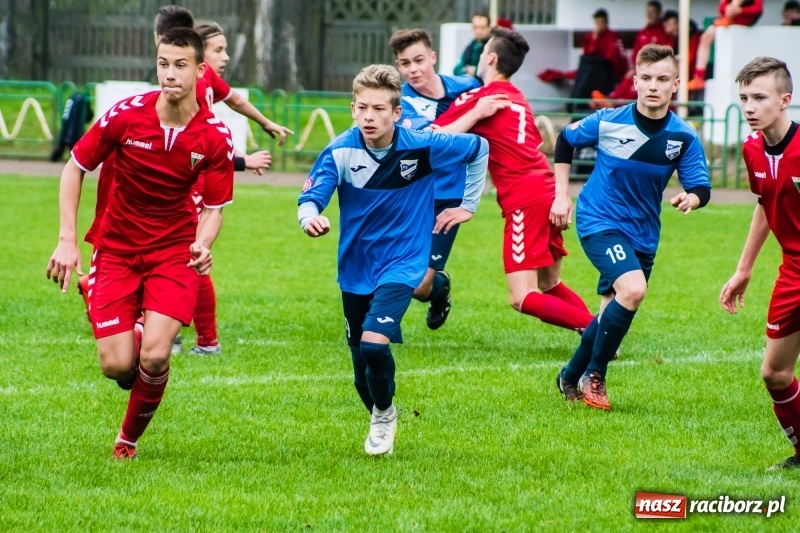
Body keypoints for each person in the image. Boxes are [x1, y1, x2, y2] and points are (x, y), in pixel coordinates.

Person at [46, 27, 235, 459]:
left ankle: (126, 441)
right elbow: (74, 167)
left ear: (200, 70)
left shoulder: (213, 136)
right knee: (117, 366)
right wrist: (67, 240)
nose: (169, 74)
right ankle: (113, 305)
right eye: (162, 63)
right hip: (115, 249)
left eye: (180, 65)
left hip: (173, 253)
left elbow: (215, 206)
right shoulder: (124, 116)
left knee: (153, 358)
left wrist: (203, 244)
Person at [297, 64, 488, 456]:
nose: (370, 116)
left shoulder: (422, 144)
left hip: (403, 261)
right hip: (355, 267)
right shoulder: (341, 150)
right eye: (363, 107)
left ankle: (384, 415)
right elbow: (312, 195)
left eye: (380, 108)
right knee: (359, 376)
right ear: (353, 109)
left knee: (374, 345)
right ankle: (380, 408)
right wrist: (310, 217)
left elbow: (478, 148)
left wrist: (468, 205)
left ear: (396, 113)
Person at [551, 44, 711, 410]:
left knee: (613, 306)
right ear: (635, 81)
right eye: (647, 78)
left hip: (643, 232)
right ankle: (595, 375)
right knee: (633, 289)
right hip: (599, 220)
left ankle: (569, 374)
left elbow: (700, 185)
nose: (654, 86)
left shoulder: (682, 136)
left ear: (676, 85)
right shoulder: (608, 121)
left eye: (663, 79)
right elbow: (565, 140)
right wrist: (562, 195)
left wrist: (692, 199)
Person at [432, 27, 595, 336]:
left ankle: (598, 330)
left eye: (482, 54)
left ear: (491, 58)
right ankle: (601, 339)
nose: (479, 59)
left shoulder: (480, 97)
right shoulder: (519, 99)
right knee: (549, 284)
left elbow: (432, 137)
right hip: (546, 190)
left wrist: (474, 114)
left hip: (525, 198)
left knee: (521, 296)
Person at [720, 57, 800, 470]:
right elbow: (764, 204)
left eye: (759, 98)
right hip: (793, 271)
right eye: (744, 98)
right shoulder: (753, 150)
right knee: (775, 374)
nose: (749, 107)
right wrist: (744, 268)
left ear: (785, 100)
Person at [389, 28, 481, 329]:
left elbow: (495, 91)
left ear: (433, 57)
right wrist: (478, 111)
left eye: (418, 60)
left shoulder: (467, 85)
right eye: (405, 63)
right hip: (412, 194)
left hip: (448, 196)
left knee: (420, 287)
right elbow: (433, 138)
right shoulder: (404, 103)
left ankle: (438, 286)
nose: (413, 69)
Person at [591, 1, 672, 106]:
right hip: (640, 69)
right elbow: (635, 55)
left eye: (653, 12)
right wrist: (636, 67)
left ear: (659, 13)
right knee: (629, 77)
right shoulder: (642, 33)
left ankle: (612, 103)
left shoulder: (663, 33)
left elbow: (664, 55)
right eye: (648, 12)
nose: (649, 15)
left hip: (655, 70)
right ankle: (610, 99)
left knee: (637, 84)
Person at [685, 0, 763, 90]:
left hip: (745, 18)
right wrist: (729, 9)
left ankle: (728, 18)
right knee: (705, 37)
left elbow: (758, 9)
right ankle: (699, 76)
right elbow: (721, 9)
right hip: (729, 19)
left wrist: (740, 10)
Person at [453, 11, 490, 77]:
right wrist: (466, 70)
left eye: (482, 27)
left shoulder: (492, 47)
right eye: (476, 27)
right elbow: (456, 69)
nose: (479, 31)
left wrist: (475, 70)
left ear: (488, 28)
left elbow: (492, 70)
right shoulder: (469, 48)